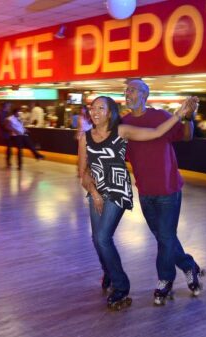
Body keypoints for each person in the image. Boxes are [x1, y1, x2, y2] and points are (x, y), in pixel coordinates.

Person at [78, 95, 197, 310]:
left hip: (143, 190)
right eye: (92, 108)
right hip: (129, 190)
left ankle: (145, 283)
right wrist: (93, 189)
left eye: (100, 107)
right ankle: (188, 266)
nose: (95, 111)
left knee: (159, 237)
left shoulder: (141, 123)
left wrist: (183, 115)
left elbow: (169, 133)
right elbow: (87, 168)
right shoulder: (103, 130)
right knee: (156, 236)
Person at [121, 79, 205, 305]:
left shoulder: (161, 117)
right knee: (164, 236)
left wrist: (188, 117)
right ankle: (190, 267)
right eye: (126, 90)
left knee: (166, 237)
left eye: (132, 90)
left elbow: (187, 135)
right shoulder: (123, 123)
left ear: (145, 94)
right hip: (146, 191)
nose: (127, 93)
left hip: (168, 188)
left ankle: (165, 280)